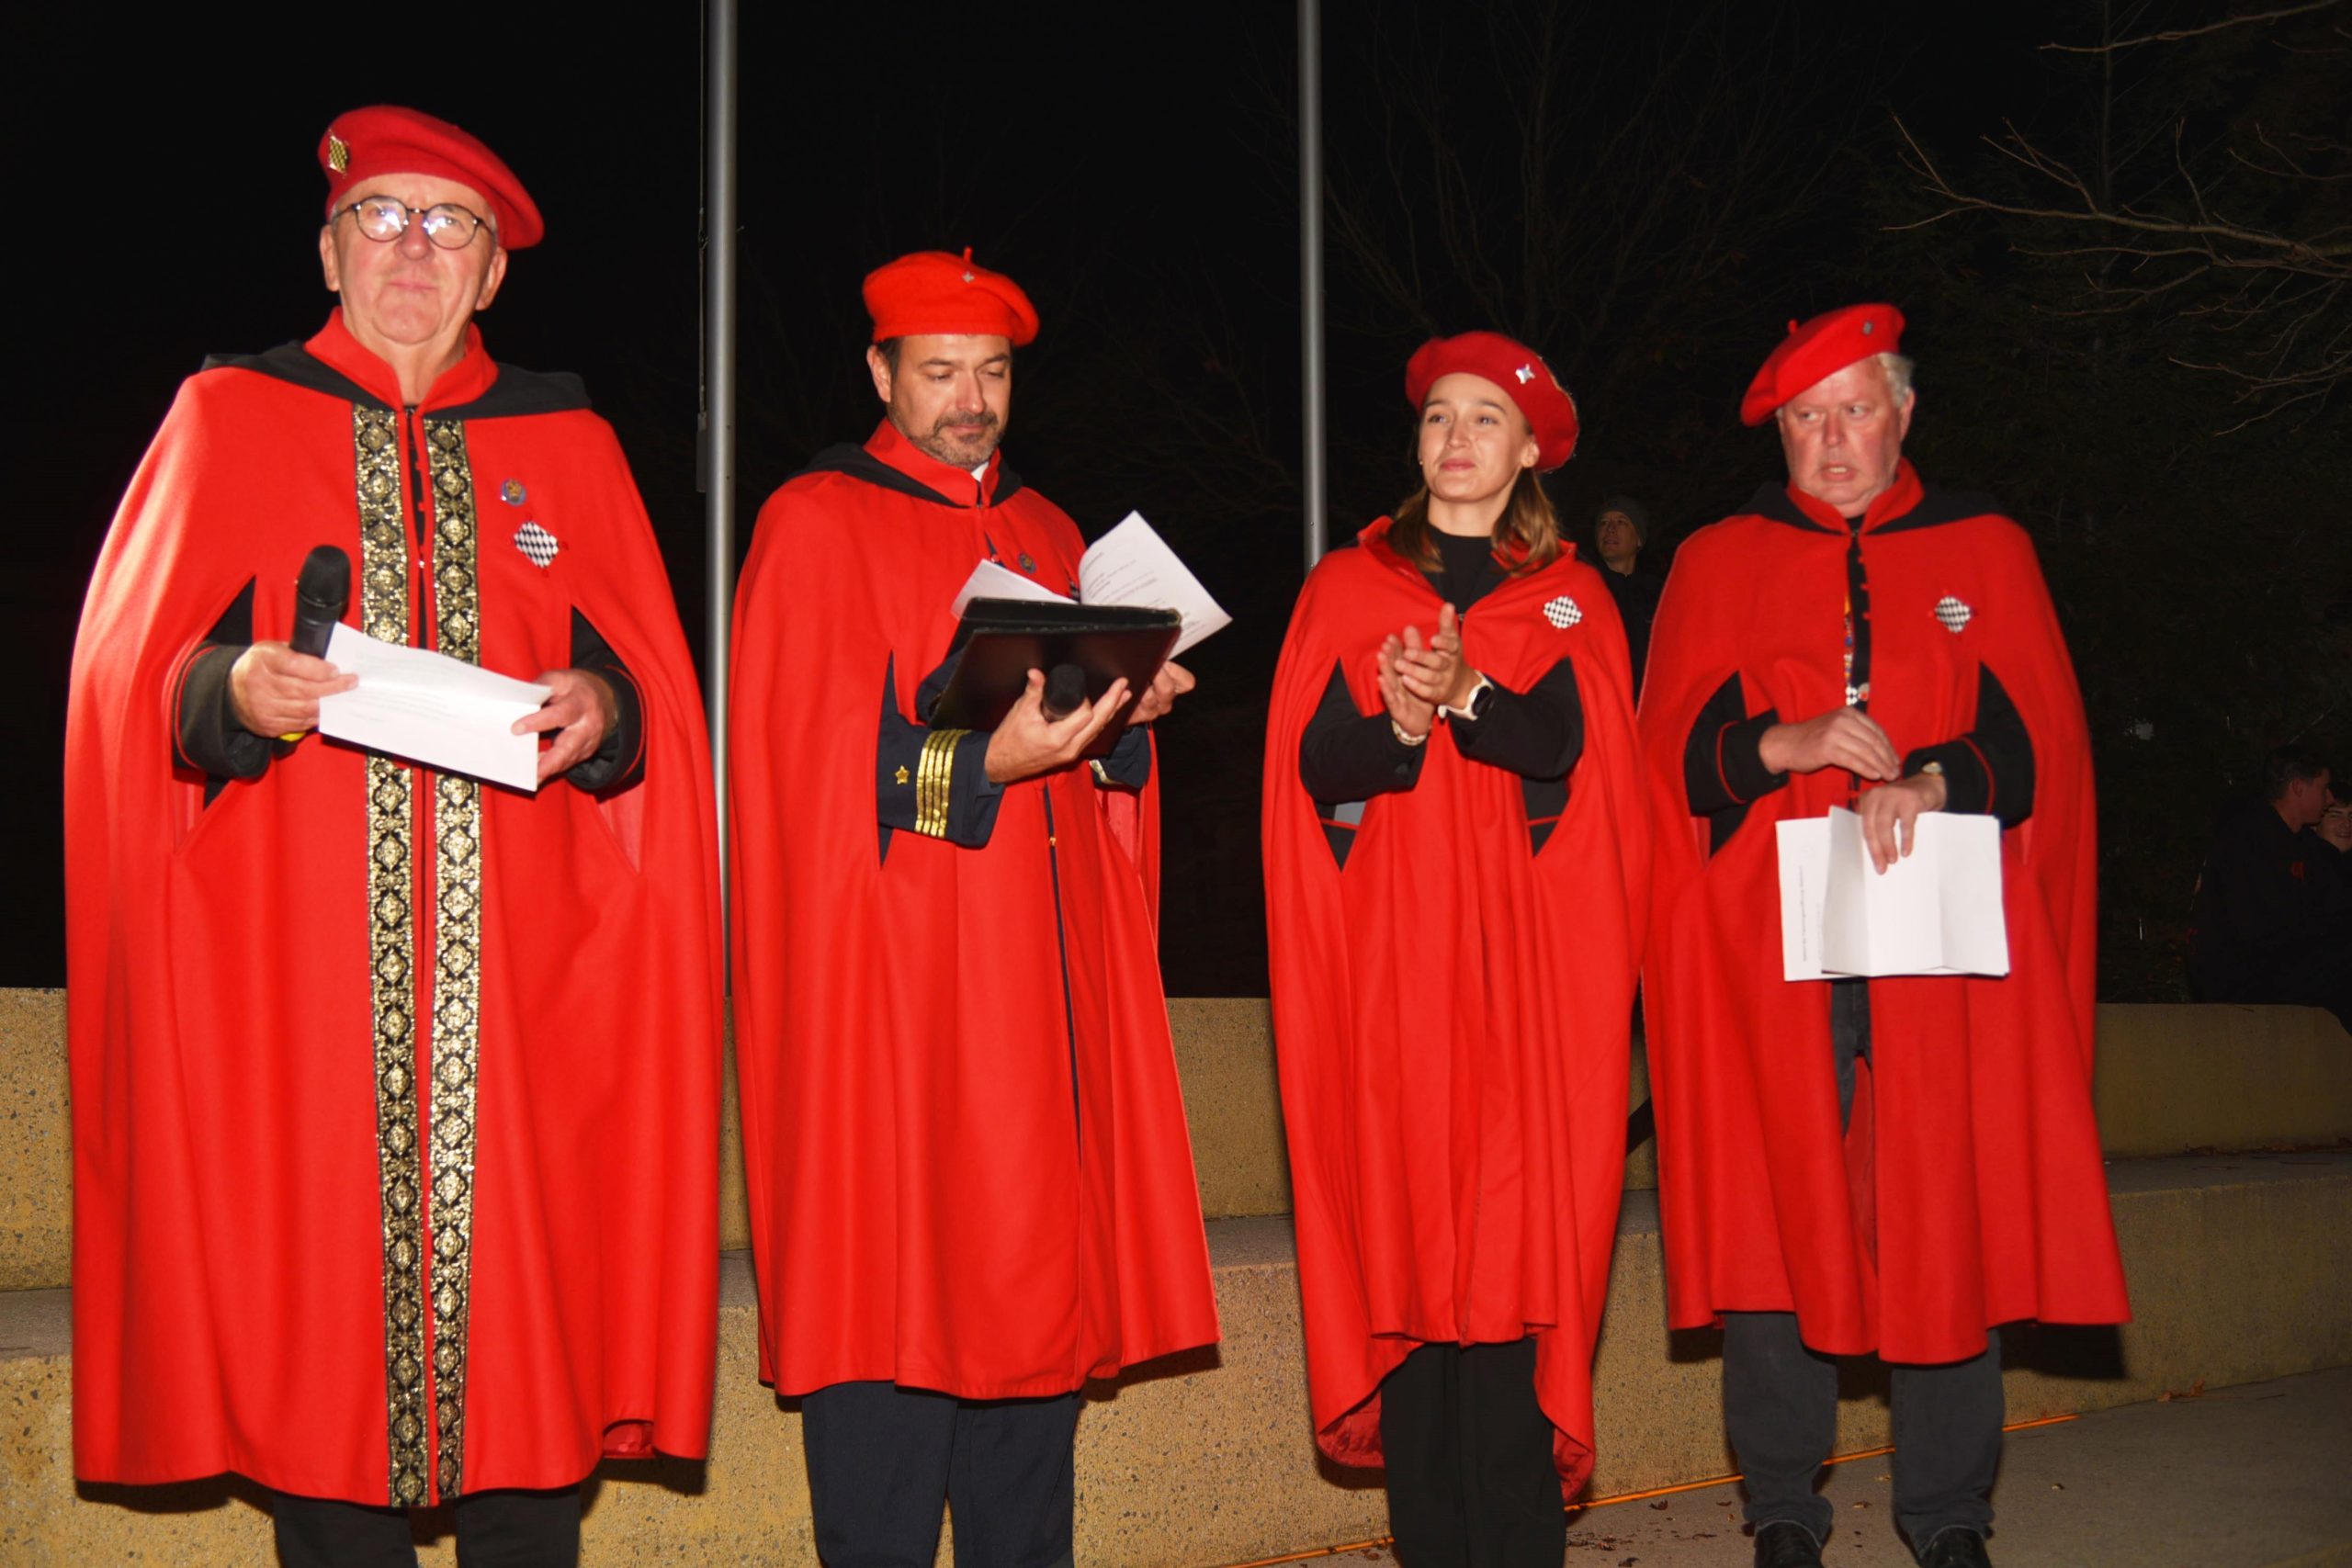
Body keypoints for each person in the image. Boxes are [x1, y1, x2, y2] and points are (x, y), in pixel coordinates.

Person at [64, 107, 722, 1567]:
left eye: (449, 226)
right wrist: (226, 686)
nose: (413, 248)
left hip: (528, 1013)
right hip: (295, 1006)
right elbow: (124, 679)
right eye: (383, 217)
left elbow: (650, 707)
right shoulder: (228, 416)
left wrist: (605, 705)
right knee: (325, 1377)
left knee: (531, 1370)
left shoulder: (570, 445)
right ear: (329, 249)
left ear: (494, 272)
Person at [729, 249, 1219, 1567]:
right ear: (880, 373)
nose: (970, 401)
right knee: (888, 1327)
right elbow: (800, 768)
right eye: (940, 371)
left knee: (1028, 1346)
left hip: (1035, 1025)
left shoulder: (1053, 532)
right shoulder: (814, 519)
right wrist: (983, 764)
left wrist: (1124, 719)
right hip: (890, 1014)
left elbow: (1084, 763)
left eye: (992, 373)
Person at [1637, 305, 2130, 1568]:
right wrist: (1779, 742)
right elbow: (1664, 763)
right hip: (1767, 945)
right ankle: (1783, 1507)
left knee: (1941, 1203)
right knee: (1774, 1207)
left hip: (1941, 943)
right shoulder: (1716, 559)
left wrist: (1940, 774)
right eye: (1805, 419)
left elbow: (2039, 743)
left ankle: (1949, 1511)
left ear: (1903, 412)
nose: (1830, 440)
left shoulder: (1987, 547)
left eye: (1853, 410)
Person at [1262, 331, 1650, 1566]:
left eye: (1486, 418)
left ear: (1530, 450)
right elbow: (1312, 764)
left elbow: (1566, 754)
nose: (1458, 437)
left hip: (1524, 984)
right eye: (1439, 415)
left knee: (1510, 1263)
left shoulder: (1572, 599)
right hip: (1392, 975)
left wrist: (1469, 691)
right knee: (1414, 1262)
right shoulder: (1347, 586)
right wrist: (1393, 718)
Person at [2188, 745, 2352, 1028]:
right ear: (2298, 788)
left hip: (2277, 966)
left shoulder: (2304, 846)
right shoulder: (2249, 839)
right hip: (2243, 977)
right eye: (2324, 788)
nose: (2329, 798)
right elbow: (2262, 928)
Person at [1592, 494, 1663, 690]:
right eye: (1604, 523)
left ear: (1639, 539)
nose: (1610, 529)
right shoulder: (1583, 588)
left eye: (1621, 522)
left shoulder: (1659, 595)